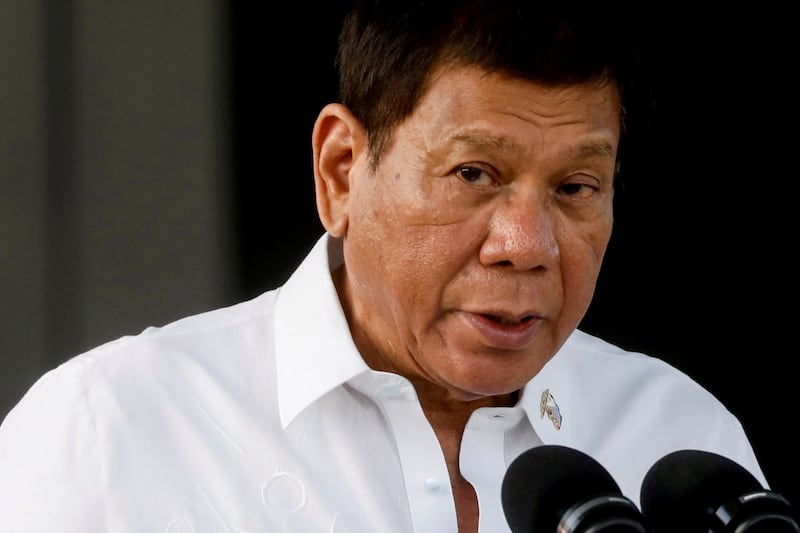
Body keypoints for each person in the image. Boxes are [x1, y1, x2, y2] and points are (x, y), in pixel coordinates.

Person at [0, 1, 769, 532]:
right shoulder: (110, 429)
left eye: (575, 188)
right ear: (341, 171)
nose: (527, 242)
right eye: (474, 173)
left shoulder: (682, 441)